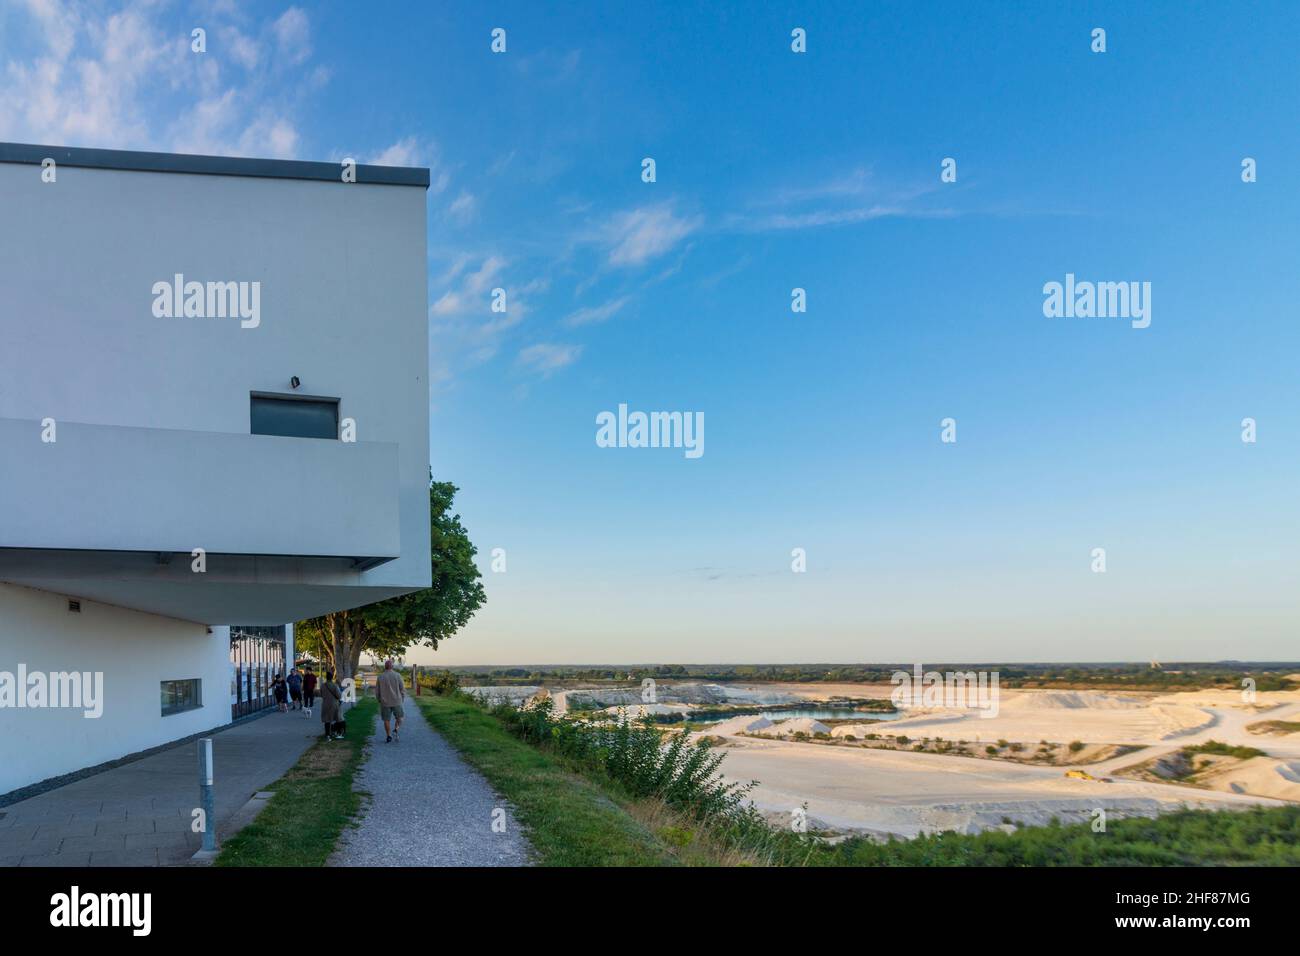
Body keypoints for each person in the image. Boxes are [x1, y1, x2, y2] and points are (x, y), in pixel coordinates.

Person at [376, 659, 405, 744]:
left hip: (385, 702)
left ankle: (388, 735)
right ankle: (396, 729)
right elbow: (402, 688)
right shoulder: (397, 675)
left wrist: (379, 699)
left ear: (385, 667)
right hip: (397, 701)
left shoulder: (380, 677)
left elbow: (377, 691)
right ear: (392, 666)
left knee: (386, 720)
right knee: (400, 718)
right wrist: (402, 697)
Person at [320, 669, 343, 741]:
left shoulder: (322, 685)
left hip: (325, 704)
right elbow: (339, 696)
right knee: (337, 718)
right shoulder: (335, 685)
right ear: (332, 677)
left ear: (326, 678)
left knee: (327, 720)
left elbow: (321, 694)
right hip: (334, 704)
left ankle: (327, 735)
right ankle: (338, 734)